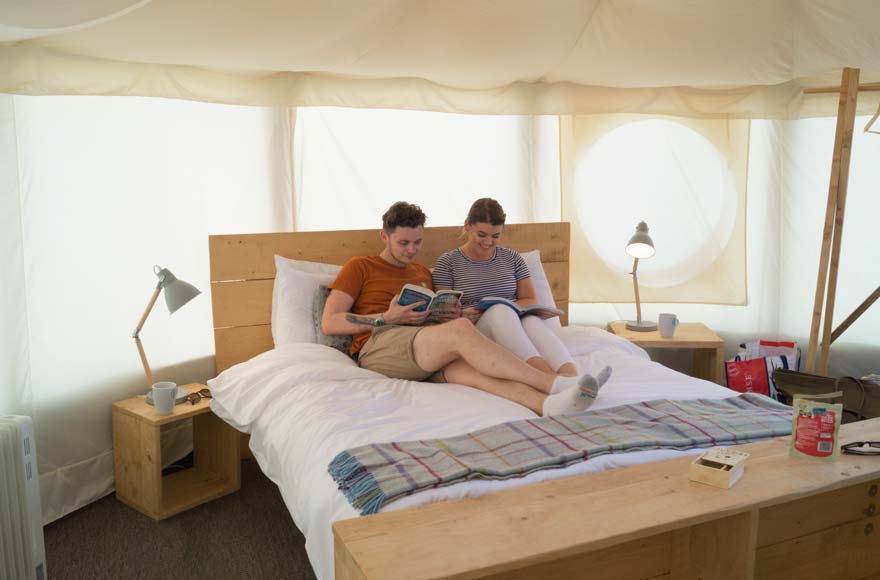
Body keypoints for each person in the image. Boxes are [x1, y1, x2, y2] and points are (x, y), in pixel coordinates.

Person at [321, 201, 611, 417]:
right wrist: (386, 318)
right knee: (461, 332)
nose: (411, 250)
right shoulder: (359, 266)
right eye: (403, 243)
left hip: (423, 348)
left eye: (417, 242)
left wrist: (446, 314)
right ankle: (556, 384)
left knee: (479, 372)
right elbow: (331, 323)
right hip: (380, 345)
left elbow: (437, 320)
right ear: (384, 236)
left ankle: (549, 405)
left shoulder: (422, 271)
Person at [432, 198, 578, 377]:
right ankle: (547, 377)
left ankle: (572, 375)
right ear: (467, 226)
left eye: (495, 236)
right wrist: (463, 313)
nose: (488, 242)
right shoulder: (447, 263)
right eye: (481, 234)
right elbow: (444, 314)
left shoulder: (513, 259)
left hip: (512, 324)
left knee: (531, 321)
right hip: (474, 331)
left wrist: (512, 309)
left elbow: (530, 299)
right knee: (499, 311)